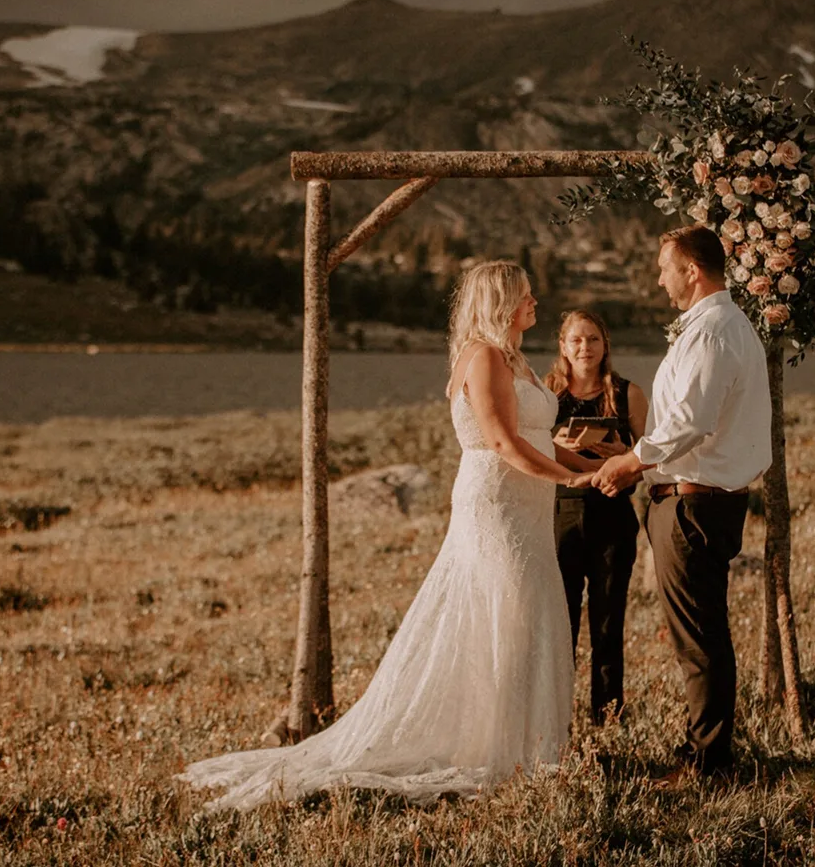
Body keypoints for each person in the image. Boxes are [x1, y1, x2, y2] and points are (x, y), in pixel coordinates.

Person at [179, 261, 592, 810]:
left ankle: (524, 745)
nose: (535, 299)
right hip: (497, 503)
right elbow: (501, 442)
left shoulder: (516, 358)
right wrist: (575, 479)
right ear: (500, 301)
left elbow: (537, 435)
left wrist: (591, 460)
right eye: (524, 293)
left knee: (527, 614)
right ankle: (493, 749)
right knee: (504, 612)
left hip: (530, 507)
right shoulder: (485, 356)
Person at [594, 224, 772, 782]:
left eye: (663, 266)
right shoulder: (709, 327)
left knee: (700, 640)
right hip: (689, 499)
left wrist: (630, 462)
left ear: (692, 270)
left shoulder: (715, 330)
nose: (658, 277)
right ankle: (706, 753)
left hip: (695, 506)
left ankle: (710, 765)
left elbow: (690, 423)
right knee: (700, 635)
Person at [544, 310, 648, 724]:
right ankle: (555, 718)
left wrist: (622, 452)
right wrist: (553, 442)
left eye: (592, 340)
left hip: (613, 516)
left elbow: (650, 459)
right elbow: (525, 451)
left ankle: (607, 718)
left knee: (608, 623)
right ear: (563, 347)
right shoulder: (545, 393)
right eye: (576, 341)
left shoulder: (628, 394)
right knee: (559, 622)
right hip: (559, 515)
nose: (584, 348)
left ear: (605, 345)